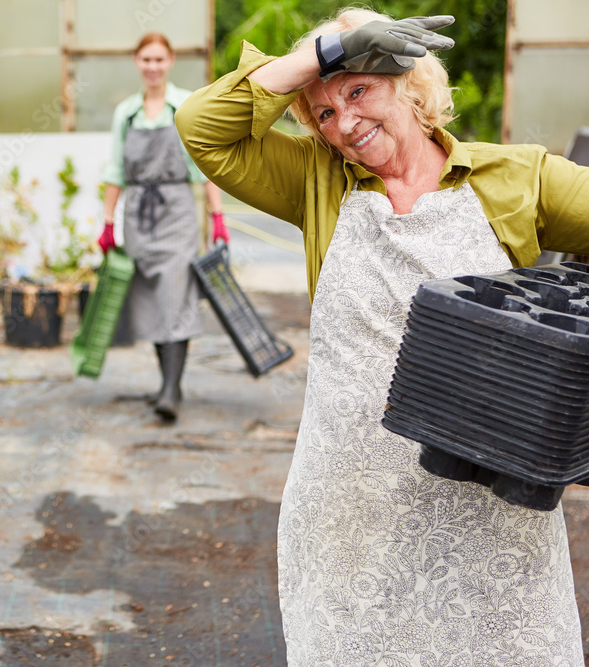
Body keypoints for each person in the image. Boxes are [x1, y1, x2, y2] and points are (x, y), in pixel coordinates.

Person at [175, 8, 589, 665]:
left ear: (411, 83)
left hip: (491, 517)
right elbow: (202, 129)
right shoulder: (317, 181)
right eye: (322, 113)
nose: (342, 123)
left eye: (358, 91)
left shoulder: (517, 179)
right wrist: (328, 53)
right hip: (349, 515)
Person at [98, 32, 225, 422]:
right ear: (137, 62)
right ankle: (168, 383)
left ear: (170, 62)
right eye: (146, 60)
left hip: (177, 210)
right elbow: (116, 170)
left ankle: (171, 390)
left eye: (159, 60)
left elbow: (206, 165)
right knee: (152, 298)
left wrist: (217, 217)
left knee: (175, 294)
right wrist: (108, 222)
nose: (152, 67)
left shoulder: (185, 105)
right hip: (138, 212)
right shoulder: (127, 112)